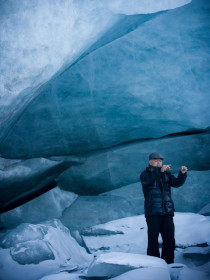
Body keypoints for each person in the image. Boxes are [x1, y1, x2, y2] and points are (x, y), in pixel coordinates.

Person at [139, 152, 188, 264]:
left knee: (169, 240)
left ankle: (169, 263)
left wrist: (182, 174)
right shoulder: (145, 174)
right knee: (153, 240)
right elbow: (147, 181)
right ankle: (154, 264)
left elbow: (176, 183)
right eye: (156, 161)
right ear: (150, 162)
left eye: (160, 161)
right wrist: (159, 171)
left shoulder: (166, 174)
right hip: (152, 213)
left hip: (167, 212)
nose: (159, 163)